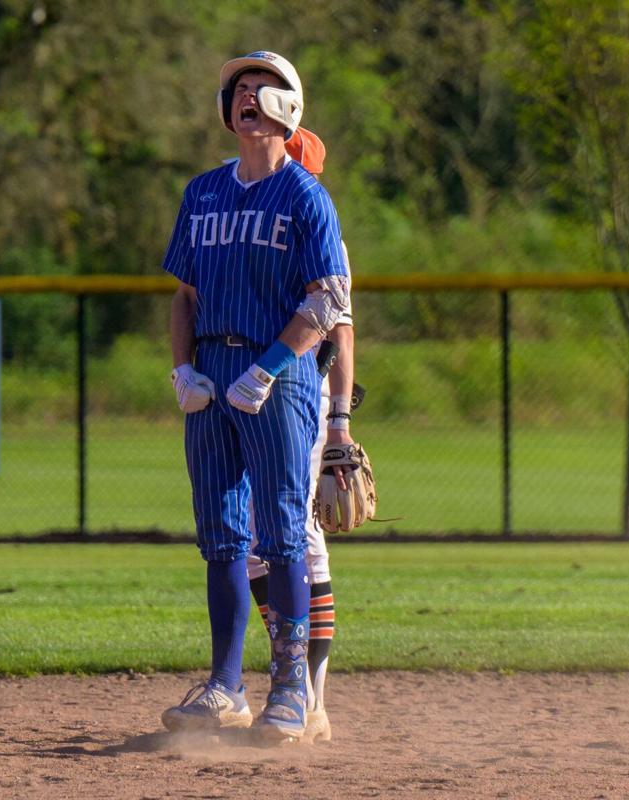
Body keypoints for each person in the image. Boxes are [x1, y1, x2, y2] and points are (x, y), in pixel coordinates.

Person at [161, 51, 351, 744]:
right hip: (211, 377)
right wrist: (183, 370)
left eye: (261, 89)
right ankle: (223, 687)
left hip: (280, 376)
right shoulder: (203, 192)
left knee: (281, 531)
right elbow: (184, 295)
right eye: (238, 89)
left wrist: (270, 368)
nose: (246, 98)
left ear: (288, 109)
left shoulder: (305, 197)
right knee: (221, 539)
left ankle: (293, 689)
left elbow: (329, 300)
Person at [245, 127, 353, 745]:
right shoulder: (254, 221)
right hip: (246, 391)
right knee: (263, 542)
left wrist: (338, 421)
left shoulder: (318, 229)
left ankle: (310, 694)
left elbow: (341, 334)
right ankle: (298, 688)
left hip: (299, 397)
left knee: (295, 535)